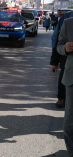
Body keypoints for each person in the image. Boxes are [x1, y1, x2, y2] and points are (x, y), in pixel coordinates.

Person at [56, 17, 73, 156]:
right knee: (70, 119)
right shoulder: (68, 23)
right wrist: (65, 49)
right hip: (72, 77)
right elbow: (59, 46)